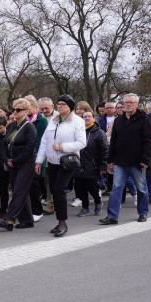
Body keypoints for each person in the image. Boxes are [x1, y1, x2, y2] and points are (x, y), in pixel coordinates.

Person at [35, 95, 86, 235]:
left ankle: (62, 223)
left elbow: (82, 143)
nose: (60, 106)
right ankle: (59, 222)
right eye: (58, 104)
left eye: (63, 104)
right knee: (53, 189)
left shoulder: (77, 121)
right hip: (52, 162)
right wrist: (39, 161)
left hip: (67, 161)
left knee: (58, 189)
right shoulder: (53, 120)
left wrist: (62, 147)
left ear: (70, 106)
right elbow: (44, 141)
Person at [100, 94, 151, 224]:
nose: (128, 105)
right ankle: (112, 216)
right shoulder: (118, 120)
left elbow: (148, 141)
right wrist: (110, 160)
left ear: (136, 104)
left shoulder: (143, 119)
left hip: (137, 162)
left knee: (141, 188)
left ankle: (143, 212)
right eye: (126, 103)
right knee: (116, 188)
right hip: (120, 161)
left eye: (131, 103)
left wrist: (145, 160)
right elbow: (113, 142)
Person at [0, 99, 38, 231]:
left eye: (18, 110)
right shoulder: (11, 126)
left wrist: (15, 160)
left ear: (26, 111)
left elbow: (29, 148)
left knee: (19, 191)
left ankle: (9, 219)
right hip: (12, 162)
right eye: (13, 109)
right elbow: (4, 144)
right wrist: (6, 159)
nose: (15, 112)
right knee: (20, 191)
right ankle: (27, 220)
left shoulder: (30, 127)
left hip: (26, 163)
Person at [74, 110, 108, 217]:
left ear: (93, 118)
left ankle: (98, 201)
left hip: (92, 164)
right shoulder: (78, 131)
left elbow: (104, 150)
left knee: (91, 186)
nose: (87, 119)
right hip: (78, 164)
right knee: (80, 187)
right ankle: (85, 207)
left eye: (89, 117)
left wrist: (103, 165)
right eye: (84, 117)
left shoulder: (99, 133)